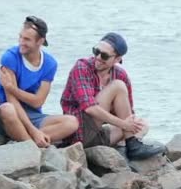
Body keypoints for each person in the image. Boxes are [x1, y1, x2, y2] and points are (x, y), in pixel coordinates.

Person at [61, 32, 165, 160]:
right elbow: (90, 108)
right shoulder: (82, 67)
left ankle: (128, 144)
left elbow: (128, 113)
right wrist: (124, 125)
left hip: (98, 134)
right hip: (78, 133)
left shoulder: (120, 74)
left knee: (142, 124)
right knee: (118, 86)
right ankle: (132, 145)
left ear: (117, 59)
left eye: (104, 55)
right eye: (96, 51)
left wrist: (127, 124)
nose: (98, 57)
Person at [0, 16, 78, 148]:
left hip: (33, 116)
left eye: (27, 39)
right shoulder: (10, 57)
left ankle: (26, 140)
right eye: (20, 37)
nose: (21, 42)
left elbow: (38, 101)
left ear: (40, 41)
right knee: (7, 109)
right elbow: (12, 101)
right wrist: (34, 132)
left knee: (72, 122)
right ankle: (33, 146)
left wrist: (13, 88)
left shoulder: (50, 64)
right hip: (10, 114)